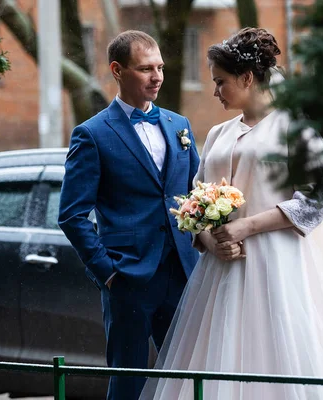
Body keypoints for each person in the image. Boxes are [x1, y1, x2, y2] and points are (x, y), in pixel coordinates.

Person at [139, 27, 323, 400]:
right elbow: (195, 198)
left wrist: (246, 227)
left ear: (247, 77)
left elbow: (315, 201)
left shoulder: (293, 129)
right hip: (222, 269)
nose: (215, 91)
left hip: (279, 266)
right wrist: (209, 239)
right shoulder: (219, 133)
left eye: (221, 82)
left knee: (282, 353)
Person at [58, 30, 218, 400]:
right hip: (128, 278)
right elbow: (72, 215)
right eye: (145, 69)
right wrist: (108, 273)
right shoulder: (92, 134)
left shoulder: (180, 126)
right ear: (117, 70)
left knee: (188, 379)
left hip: (183, 272)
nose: (157, 76)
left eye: (160, 67)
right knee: (128, 382)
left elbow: (195, 192)